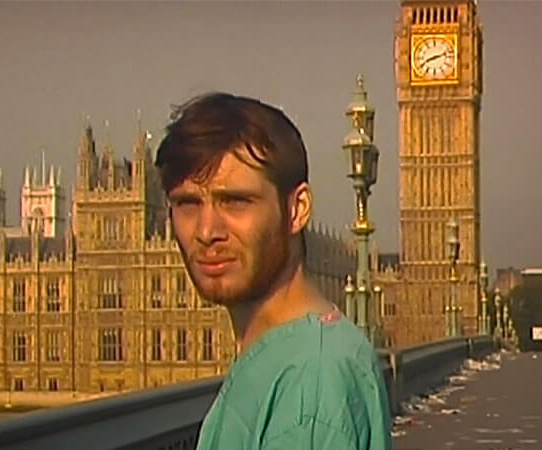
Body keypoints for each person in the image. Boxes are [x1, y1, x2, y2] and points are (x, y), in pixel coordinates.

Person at [154, 92, 392, 450]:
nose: (206, 231)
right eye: (187, 204)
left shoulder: (310, 384)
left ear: (297, 209)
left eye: (235, 201)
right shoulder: (287, 356)